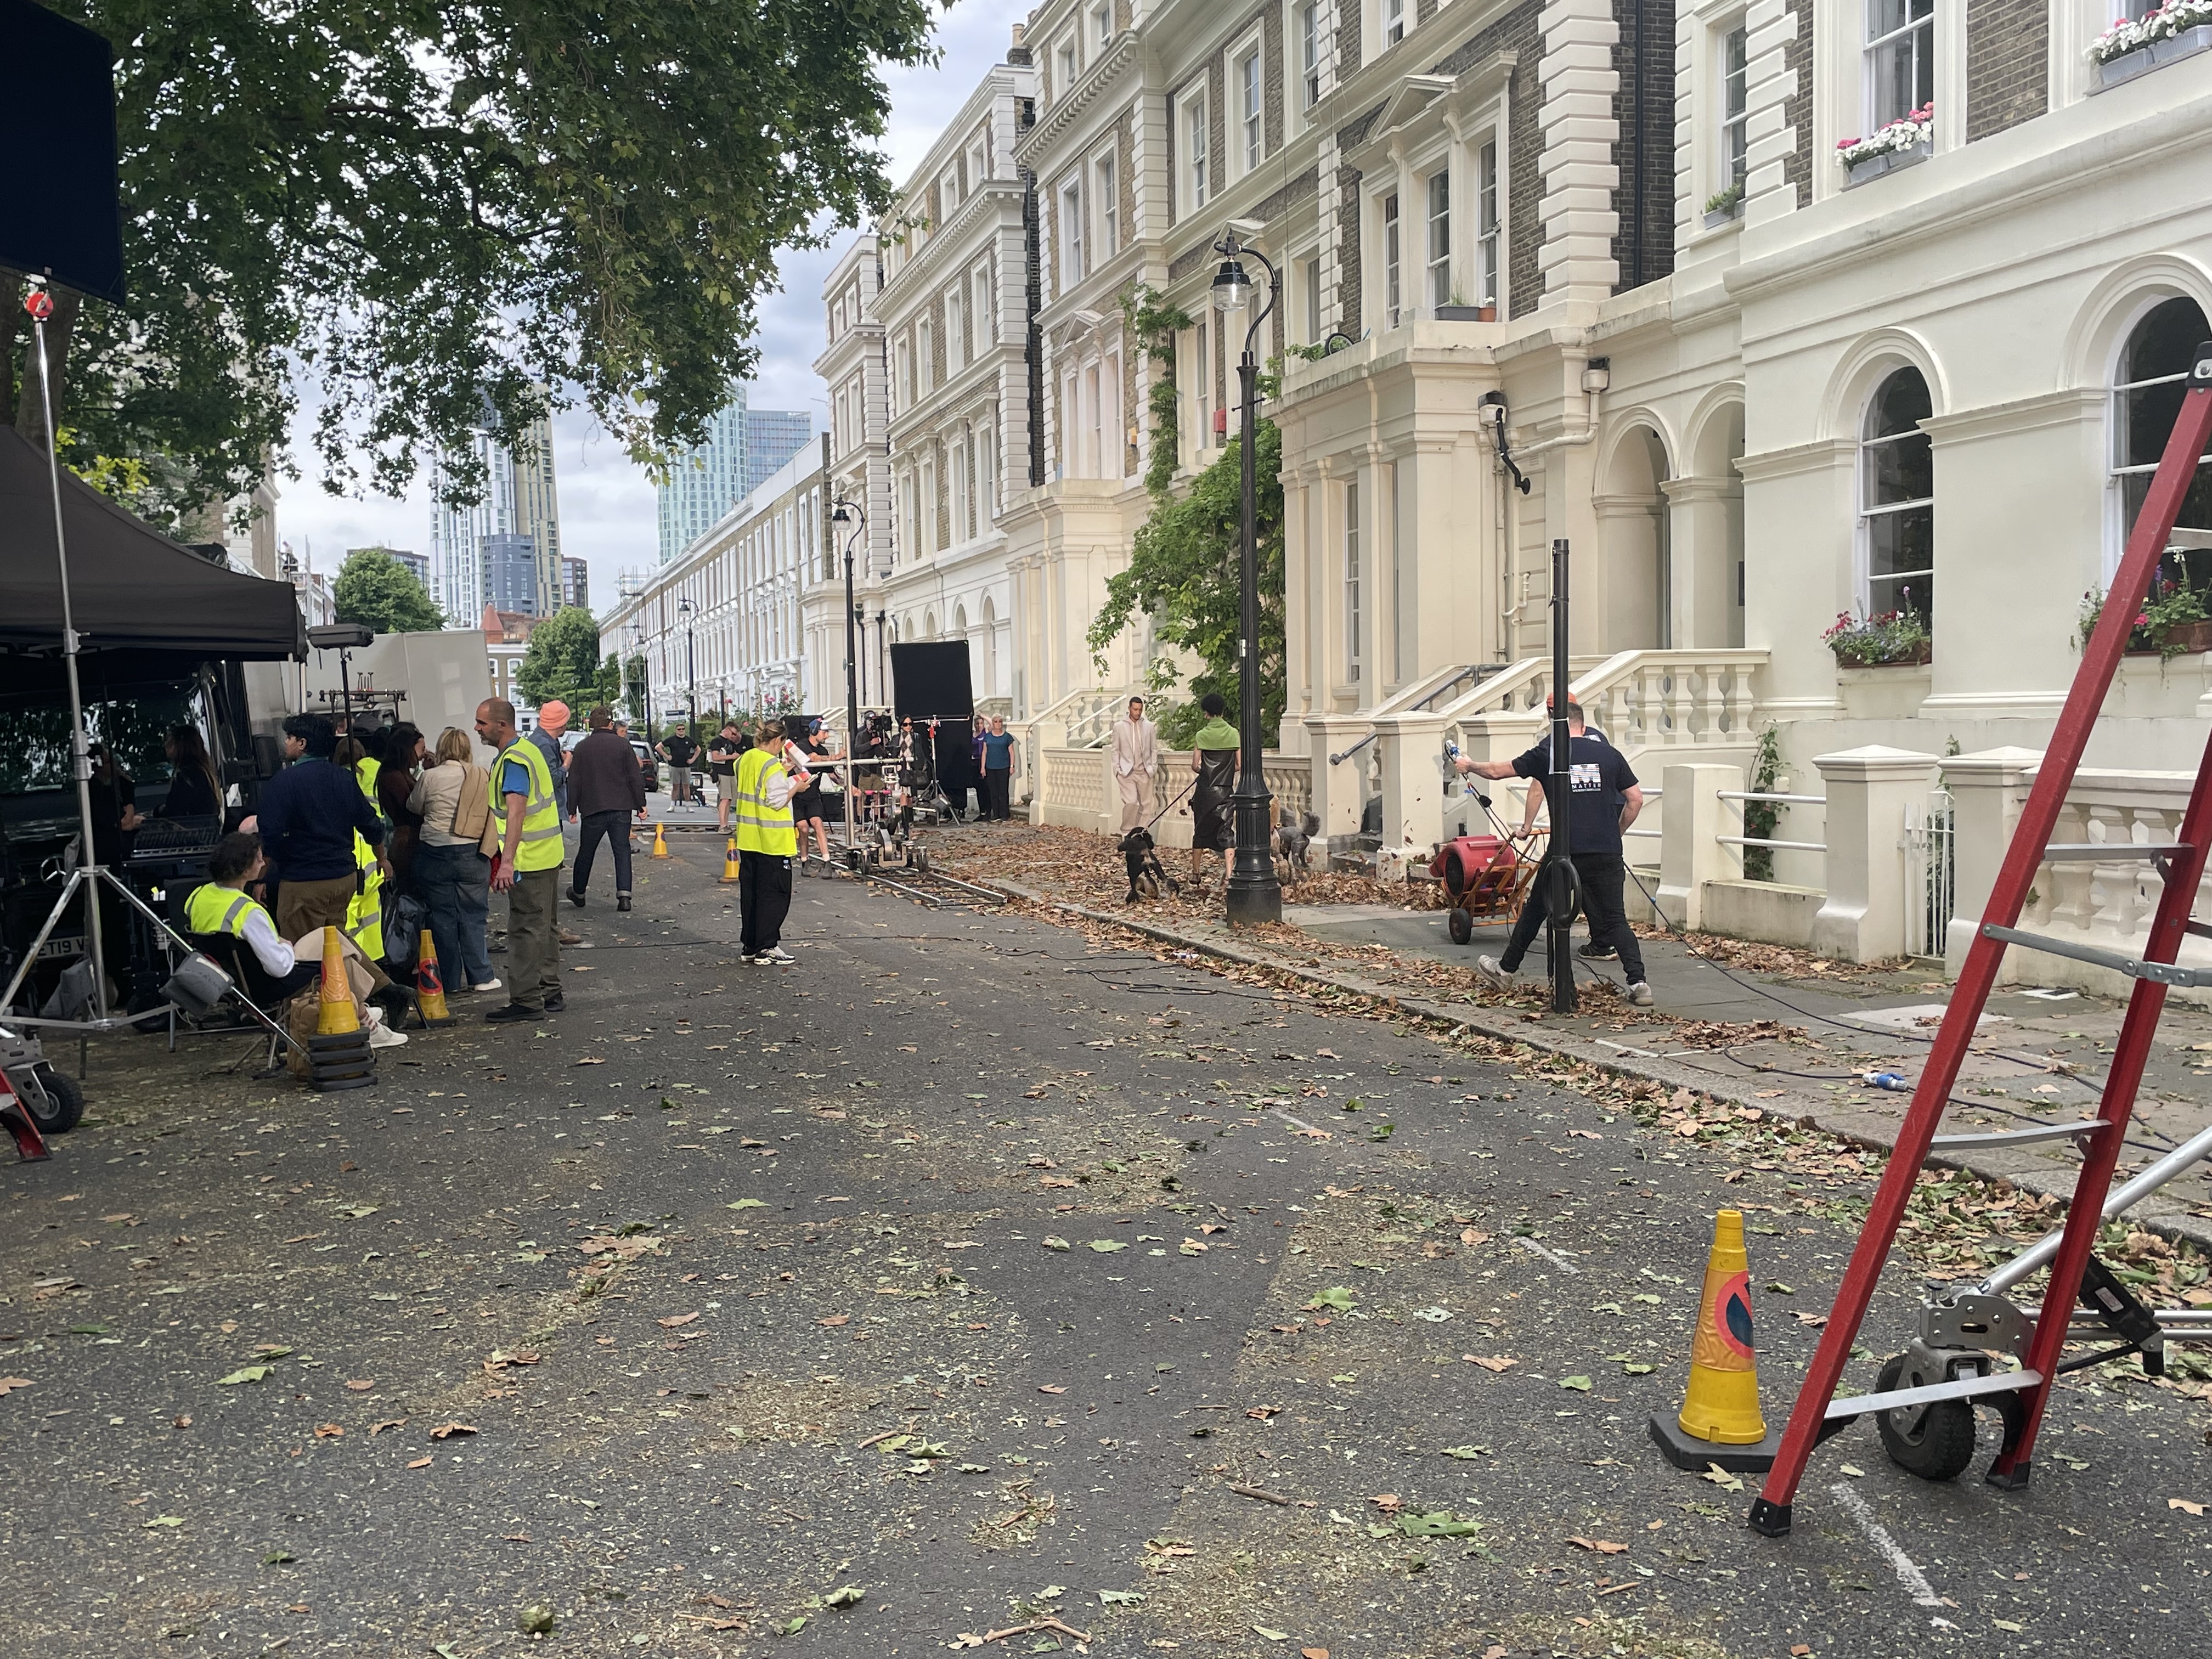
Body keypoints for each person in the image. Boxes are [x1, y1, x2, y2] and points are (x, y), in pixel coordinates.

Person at [1455, 699, 1652, 1007]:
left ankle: (1506, 970)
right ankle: (1639, 983)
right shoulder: (1608, 754)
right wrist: (1617, 832)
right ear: (1584, 726)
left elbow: (1497, 772)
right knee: (1615, 919)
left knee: (1536, 909)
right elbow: (1636, 799)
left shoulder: (1549, 752)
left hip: (1565, 851)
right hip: (1606, 849)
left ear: (1556, 725)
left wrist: (1469, 766)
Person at [187, 832, 407, 1046]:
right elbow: (279, 968)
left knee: (332, 939)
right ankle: (363, 1018)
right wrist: (285, 946)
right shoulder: (247, 912)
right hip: (267, 983)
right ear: (246, 870)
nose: (264, 863)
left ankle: (359, 1008)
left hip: (235, 979)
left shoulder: (198, 897)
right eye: (259, 859)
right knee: (337, 955)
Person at [256, 714, 388, 941]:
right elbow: (370, 824)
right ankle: (379, 979)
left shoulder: (284, 782)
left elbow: (270, 836)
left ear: (302, 743)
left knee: (303, 952)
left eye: (290, 738)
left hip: (302, 882)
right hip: (343, 879)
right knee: (337, 944)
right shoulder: (345, 778)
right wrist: (382, 858)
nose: (286, 742)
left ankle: (373, 979)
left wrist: (264, 877)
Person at [476, 697, 565, 1022]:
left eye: (482, 723)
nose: (477, 729)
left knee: (525, 929)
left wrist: (508, 862)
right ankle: (549, 991)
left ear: (502, 725)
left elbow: (516, 811)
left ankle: (527, 1001)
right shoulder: (527, 752)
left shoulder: (514, 760)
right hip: (547, 855)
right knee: (545, 926)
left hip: (529, 859)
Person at [407, 727, 499, 995]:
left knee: (442, 918)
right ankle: (481, 976)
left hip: (435, 853)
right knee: (473, 915)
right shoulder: (481, 775)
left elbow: (414, 806)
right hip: (473, 853)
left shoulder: (430, 776)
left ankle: (448, 981)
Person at [733, 720, 806, 965]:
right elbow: (776, 801)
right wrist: (796, 786)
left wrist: (782, 772)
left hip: (748, 839)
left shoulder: (744, 760)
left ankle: (750, 945)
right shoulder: (772, 765)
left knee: (751, 894)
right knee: (774, 895)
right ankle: (768, 946)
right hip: (773, 842)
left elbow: (757, 787)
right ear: (777, 741)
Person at [567, 706, 647, 911]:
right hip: (621, 807)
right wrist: (640, 805)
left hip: (593, 807)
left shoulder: (582, 747)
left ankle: (579, 892)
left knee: (586, 851)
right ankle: (624, 896)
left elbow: (574, 780)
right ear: (610, 724)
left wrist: (571, 808)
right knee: (622, 851)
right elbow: (634, 777)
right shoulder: (623, 745)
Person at [1186, 692, 1239, 889]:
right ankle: (1230, 874)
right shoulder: (1234, 733)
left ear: (1206, 713)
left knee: (1200, 832)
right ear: (1223, 711)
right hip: (1225, 791)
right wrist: (1224, 774)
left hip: (1205, 791)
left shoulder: (1202, 735)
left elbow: (1195, 765)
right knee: (1226, 832)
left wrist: (1207, 772)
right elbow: (1239, 765)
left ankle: (1196, 873)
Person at [375, 722, 426, 895]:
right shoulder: (393, 777)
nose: (423, 755)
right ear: (408, 750)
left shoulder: (400, 775)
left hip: (408, 842)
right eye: (421, 749)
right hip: (407, 844)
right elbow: (412, 808)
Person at [789, 718, 836, 861]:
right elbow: (813, 758)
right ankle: (805, 860)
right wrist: (838, 756)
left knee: (818, 823)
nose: (827, 736)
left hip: (813, 796)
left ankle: (827, 860)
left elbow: (832, 773)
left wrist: (848, 786)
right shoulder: (802, 745)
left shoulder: (823, 750)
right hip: (797, 795)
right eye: (824, 732)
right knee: (803, 828)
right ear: (815, 731)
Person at [1111, 695, 1158, 832]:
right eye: (1135, 709)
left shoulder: (1149, 727)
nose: (1138, 713)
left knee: (1146, 805)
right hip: (1126, 772)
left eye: (1140, 710)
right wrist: (1117, 769)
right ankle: (1127, 831)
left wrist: (1153, 767)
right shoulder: (1119, 727)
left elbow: (1154, 749)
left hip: (1145, 771)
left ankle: (1141, 833)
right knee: (1131, 802)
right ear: (1129, 709)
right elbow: (1115, 749)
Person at [158, 725, 223, 821]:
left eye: (168, 740)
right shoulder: (201, 772)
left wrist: (158, 811)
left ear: (179, 744)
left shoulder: (187, 777)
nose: (165, 744)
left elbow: (173, 813)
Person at [707, 720, 744, 831]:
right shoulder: (717, 741)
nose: (734, 736)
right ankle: (722, 824)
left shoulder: (730, 743)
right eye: (733, 733)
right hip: (722, 772)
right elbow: (715, 757)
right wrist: (731, 757)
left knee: (729, 799)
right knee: (725, 798)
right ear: (727, 730)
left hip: (730, 772)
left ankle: (726, 824)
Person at [980, 715, 1017, 822]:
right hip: (990, 767)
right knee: (993, 792)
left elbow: (1012, 752)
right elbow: (984, 752)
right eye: (996, 721)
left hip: (1003, 767)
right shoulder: (988, 737)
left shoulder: (1007, 737)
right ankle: (996, 814)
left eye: (1000, 721)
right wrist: (983, 767)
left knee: (1003, 791)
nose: (998, 723)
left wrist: (1012, 766)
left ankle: (1005, 814)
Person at [661, 725, 698, 805]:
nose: (681, 731)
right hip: (674, 766)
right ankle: (673, 804)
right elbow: (658, 747)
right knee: (676, 786)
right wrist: (667, 756)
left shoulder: (689, 740)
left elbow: (698, 749)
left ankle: (688, 805)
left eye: (683, 729)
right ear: (676, 730)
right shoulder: (672, 740)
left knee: (686, 786)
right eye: (679, 729)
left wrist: (693, 760)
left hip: (686, 766)